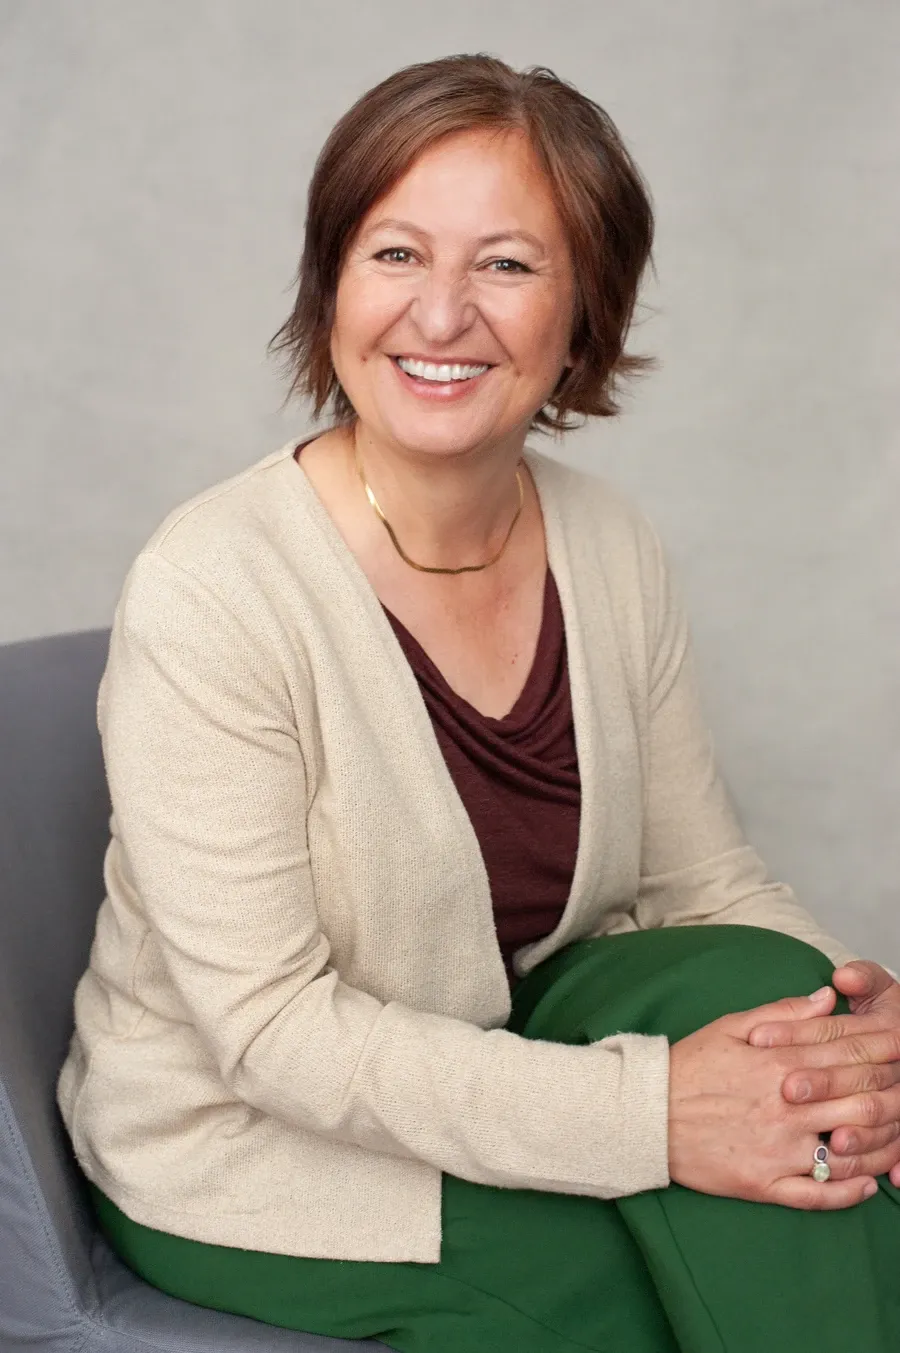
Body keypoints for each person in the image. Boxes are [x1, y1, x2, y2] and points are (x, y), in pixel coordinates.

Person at [58, 53, 900, 1353]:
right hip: (256, 1141)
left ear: (584, 316)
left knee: (783, 1025)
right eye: (395, 254)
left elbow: (706, 883)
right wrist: (660, 1116)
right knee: (683, 1268)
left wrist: (852, 1045)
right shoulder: (216, 585)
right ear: (332, 286)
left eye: (506, 265)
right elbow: (272, 1036)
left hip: (516, 1054)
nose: (441, 313)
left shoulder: (607, 544)